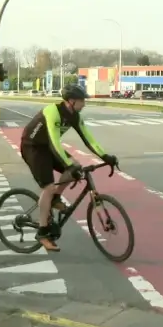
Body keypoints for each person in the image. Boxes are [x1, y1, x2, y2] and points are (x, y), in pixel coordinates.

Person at [19, 85, 118, 251]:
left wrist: (106, 157)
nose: (84, 104)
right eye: (82, 100)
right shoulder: (52, 112)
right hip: (33, 147)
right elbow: (54, 142)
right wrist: (67, 165)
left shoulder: (75, 116)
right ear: (71, 101)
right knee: (49, 187)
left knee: (76, 167)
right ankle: (42, 232)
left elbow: (89, 140)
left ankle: (55, 200)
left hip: (48, 147)